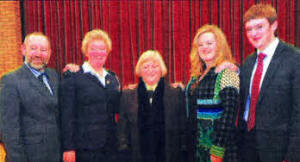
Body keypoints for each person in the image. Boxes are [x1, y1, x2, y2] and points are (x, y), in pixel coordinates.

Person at [237, 3, 300, 162]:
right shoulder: (249, 62)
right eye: (249, 29)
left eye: (259, 27)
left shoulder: (294, 58)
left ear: (274, 25)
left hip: (279, 151)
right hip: (248, 146)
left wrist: (293, 155)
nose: (254, 33)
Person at [60, 29, 121, 162]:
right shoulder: (73, 78)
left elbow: (118, 107)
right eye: (93, 48)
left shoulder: (112, 78)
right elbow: (67, 116)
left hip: (111, 146)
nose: (98, 53)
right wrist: (68, 148)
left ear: (108, 51)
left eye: (102, 49)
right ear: (86, 51)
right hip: (85, 149)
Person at [0, 32, 61, 162]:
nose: (38, 54)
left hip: (55, 155)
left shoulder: (54, 76)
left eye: (43, 49)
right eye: (33, 48)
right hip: (28, 157)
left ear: (50, 53)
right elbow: (9, 129)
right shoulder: (11, 81)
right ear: (23, 49)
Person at [117, 50, 186, 162]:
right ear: (139, 70)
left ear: (161, 70)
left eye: (155, 66)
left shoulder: (175, 93)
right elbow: (122, 132)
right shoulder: (128, 95)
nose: (150, 71)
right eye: (145, 67)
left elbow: (183, 130)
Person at [185, 24, 240, 162]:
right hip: (197, 147)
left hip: (217, 150)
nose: (205, 47)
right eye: (201, 45)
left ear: (219, 46)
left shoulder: (227, 73)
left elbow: (229, 116)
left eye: (209, 43)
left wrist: (218, 150)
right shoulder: (196, 77)